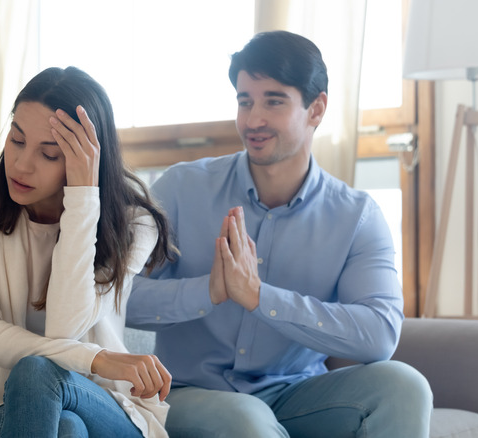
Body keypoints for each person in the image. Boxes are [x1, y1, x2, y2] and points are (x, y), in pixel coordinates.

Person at [127, 31, 433, 437]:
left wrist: (260, 298)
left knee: (405, 386)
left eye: (274, 101)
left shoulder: (356, 217)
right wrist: (209, 292)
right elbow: (115, 297)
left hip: (296, 394)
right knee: (247, 421)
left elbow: (378, 335)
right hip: (188, 394)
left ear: (316, 109)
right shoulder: (181, 189)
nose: (254, 120)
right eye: (245, 101)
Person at [0, 66, 175, 438]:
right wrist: (96, 358)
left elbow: (66, 325)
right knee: (63, 426)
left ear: (89, 161)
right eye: (16, 140)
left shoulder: (133, 224)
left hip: (110, 409)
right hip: (1, 407)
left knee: (38, 372)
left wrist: (82, 199)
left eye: (49, 154)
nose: (21, 164)